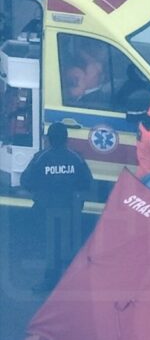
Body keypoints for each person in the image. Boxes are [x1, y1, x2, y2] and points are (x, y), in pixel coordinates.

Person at [20, 122, 94, 292]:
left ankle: (50, 282)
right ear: (67, 139)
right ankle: (72, 281)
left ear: (49, 139)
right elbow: (87, 182)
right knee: (70, 244)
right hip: (71, 209)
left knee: (52, 246)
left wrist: (41, 190)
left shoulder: (41, 158)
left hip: (46, 210)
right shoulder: (76, 158)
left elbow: (26, 181)